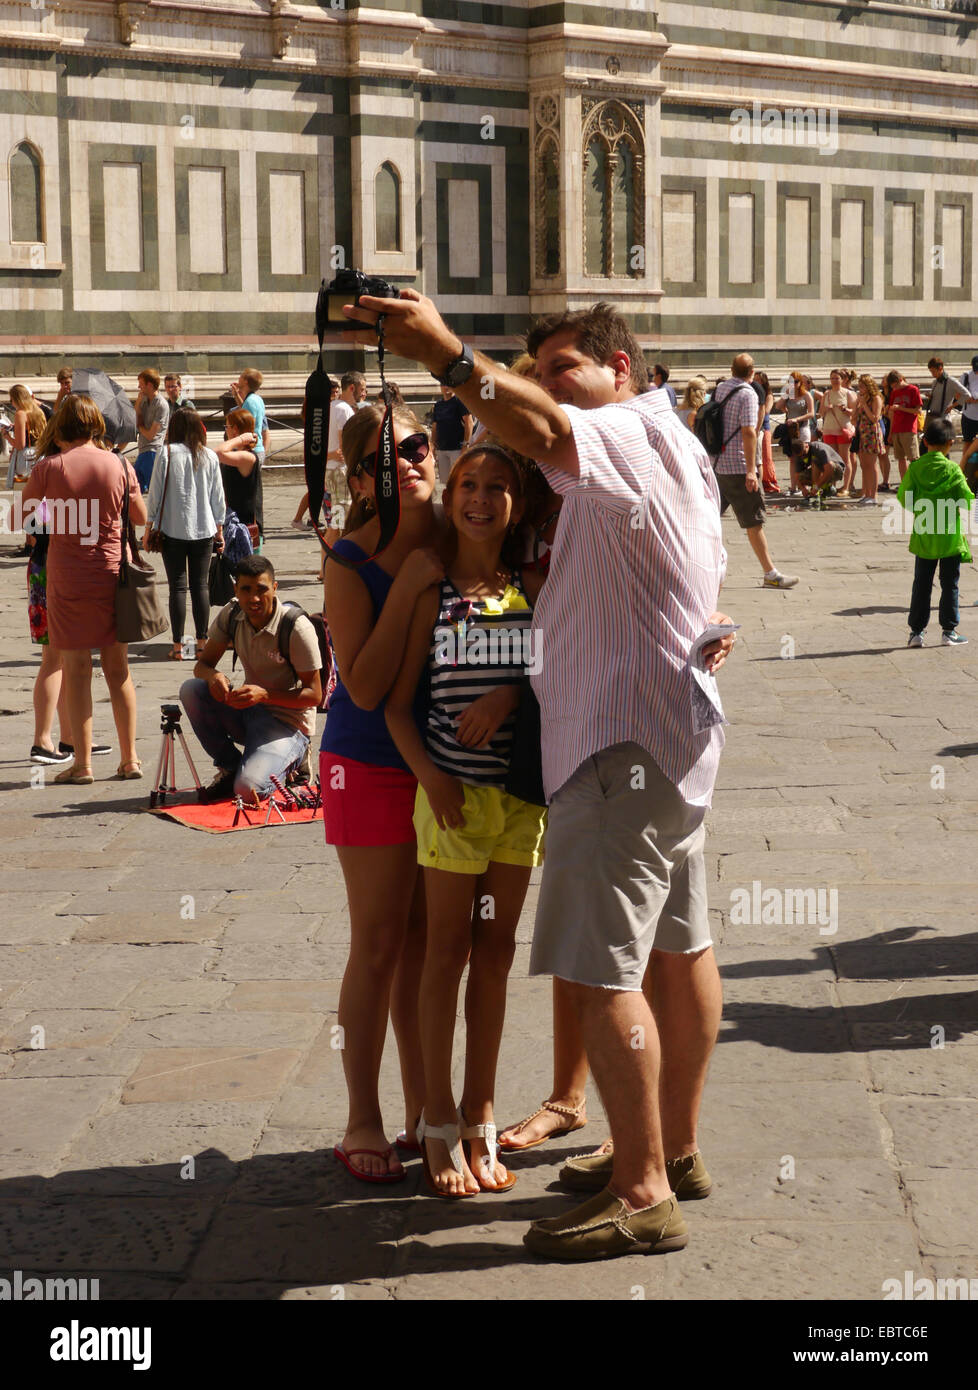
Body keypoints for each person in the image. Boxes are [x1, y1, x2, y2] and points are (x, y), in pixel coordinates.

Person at [342, 290, 736, 1260]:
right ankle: (671, 1149)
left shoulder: (620, 431)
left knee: (601, 973)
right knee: (677, 953)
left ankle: (642, 1190)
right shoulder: (675, 448)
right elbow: (698, 574)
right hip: (670, 741)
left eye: (567, 363)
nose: (550, 381)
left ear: (625, 371)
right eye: (542, 362)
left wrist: (441, 350)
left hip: (613, 750)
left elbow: (545, 421)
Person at [385, 444, 547, 1198]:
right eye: (468, 486)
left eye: (497, 488)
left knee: (497, 952)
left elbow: (543, 676)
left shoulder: (532, 584)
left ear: (518, 504)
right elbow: (393, 703)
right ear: (452, 494)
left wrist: (507, 698)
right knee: (444, 952)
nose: (480, 499)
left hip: (517, 801)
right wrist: (431, 779)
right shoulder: (431, 584)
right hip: (450, 798)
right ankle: (437, 1116)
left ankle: (482, 1110)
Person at [322, 404, 445, 1181]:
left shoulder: (466, 526)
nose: (403, 462)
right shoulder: (350, 558)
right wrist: (408, 588)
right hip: (367, 758)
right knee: (377, 944)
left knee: (430, 950)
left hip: (449, 762)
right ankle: (361, 1117)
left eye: (415, 445)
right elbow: (363, 690)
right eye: (380, 458)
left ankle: (427, 1112)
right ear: (358, 477)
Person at [20, 395, 146, 783]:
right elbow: (139, 516)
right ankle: (130, 759)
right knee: (118, 669)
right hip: (112, 573)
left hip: (68, 576)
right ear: (96, 424)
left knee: (76, 670)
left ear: (62, 428)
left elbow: (28, 520)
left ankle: (83, 764)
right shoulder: (120, 464)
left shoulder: (49, 467)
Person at [182, 555, 322, 806]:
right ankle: (231, 767)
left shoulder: (296, 627)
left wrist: (265, 695)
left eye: (262, 590)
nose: (254, 599)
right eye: (246, 590)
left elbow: (314, 695)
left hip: (288, 722)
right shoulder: (233, 613)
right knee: (192, 690)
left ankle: (297, 757)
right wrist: (214, 676)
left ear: (275, 588)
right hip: (248, 711)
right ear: (236, 589)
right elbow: (201, 665)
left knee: (248, 792)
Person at [144, 407, 225, 661]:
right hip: (204, 528)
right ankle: (201, 643)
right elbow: (218, 498)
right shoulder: (209, 455)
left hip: (172, 529)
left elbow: (155, 495)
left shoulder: (166, 454)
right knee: (200, 586)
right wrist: (220, 530)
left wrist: (148, 528)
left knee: (177, 588)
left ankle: (179, 647)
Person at [716, 355, 798, 588]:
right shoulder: (748, 393)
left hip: (717, 464)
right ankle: (770, 574)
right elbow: (749, 432)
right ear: (752, 372)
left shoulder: (722, 388)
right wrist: (751, 471)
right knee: (754, 522)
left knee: (709, 519)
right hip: (738, 467)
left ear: (732, 370)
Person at [898, 418, 972, 648]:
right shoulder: (952, 469)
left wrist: (921, 507)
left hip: (924, 534)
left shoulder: (916, 467)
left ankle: (916, 632)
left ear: (925, 441)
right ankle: (948, 630)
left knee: (921, 583)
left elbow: (904, 497)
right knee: (950, 583)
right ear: (950, 443)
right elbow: (967, 499)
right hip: (949, 535)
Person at [292, 382, 341, 527]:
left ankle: (311, 519)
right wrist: (331, 455)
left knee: (318, 490)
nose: (334, 395)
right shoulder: (317, 411)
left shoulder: (331, 409)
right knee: (316, 490)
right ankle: (299, 519)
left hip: (328, 458)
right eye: (332, 392)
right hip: (323, 458)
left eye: (336, 392)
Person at [217, 408, 261, 535]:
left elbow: (217, 453)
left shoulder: (247, 457)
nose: (226, 430)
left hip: (244, 526)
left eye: (227, 426)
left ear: (235, 429)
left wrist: (241, 439)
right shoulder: (235, 453)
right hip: (232, 523)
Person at [818, 369, 856, 493]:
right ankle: (832, 485)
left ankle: (846, 486)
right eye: (832, 378)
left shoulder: (847, 393)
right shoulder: (827, 394)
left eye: (837, 378)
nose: (834, 380)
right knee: (831, 459)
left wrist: (845, 410)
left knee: (845, 458)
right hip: (829, 429)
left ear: (842, 379)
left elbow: (854, 412)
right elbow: (821, 413)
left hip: (843, 429)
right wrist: (826, 408)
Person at [852, 374, 886, 505]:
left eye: (862, 386)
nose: (860, 388)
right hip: (862, 433)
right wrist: (857, 406)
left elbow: (875, 418)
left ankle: (873, 494)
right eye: (859, 386)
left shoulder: (876, 398)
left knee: (872, 465)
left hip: (871, 433)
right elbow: (854, 418)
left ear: (869, 386)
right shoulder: (862, 399)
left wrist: (864, 404)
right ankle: (866, 493)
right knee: (864, 465)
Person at [3, 384, 45, 488]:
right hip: (40, 455)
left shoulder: (20, 414)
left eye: (11, 399)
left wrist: (7, 436)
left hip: (26, 459)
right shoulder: (38, 411)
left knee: (23, 496)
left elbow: (20, 445)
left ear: (17, 399)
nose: (11, 403)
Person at [134, 369, 169, 493]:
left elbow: (150, 435)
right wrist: (137, 404)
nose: (139, 387)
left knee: (156, 492)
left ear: (149, 385)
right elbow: (136, 418)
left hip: (153, 452)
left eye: (141, 384)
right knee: (134, 490)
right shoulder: (144, 400)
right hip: (143, 450)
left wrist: (139, 426)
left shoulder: (161, 405)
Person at [885, 372, 923, 482]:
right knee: (900, 459)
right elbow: (892, 414)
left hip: (909, 429)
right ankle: (905, 483)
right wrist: (891, 433)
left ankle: (917, 482)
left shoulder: (913, 390)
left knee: (913, 458)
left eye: (896, 385)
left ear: (901, 379)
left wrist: (901, 408)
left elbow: (918, 410)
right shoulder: (894, 392)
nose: (895, 388)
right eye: (893, 387)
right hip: (897, 428)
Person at [430, 383, 472, 483]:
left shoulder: (460, 401)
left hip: (457, 449)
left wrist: (466, 444)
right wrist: (433, 445)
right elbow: (435, 426)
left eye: (448, 385)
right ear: (440, 387)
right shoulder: (438, 405)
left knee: (458, 480)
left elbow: (469, 422)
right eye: (443, 385)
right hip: (441, 449)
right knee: (445, 482)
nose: (446, 387)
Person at [924, 357, 969, 438]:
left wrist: (952, 406)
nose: (932, 374)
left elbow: (967, 395)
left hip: (943, 420)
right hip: (932, 417)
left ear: (940, 368)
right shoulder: (935, 382)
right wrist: (930, 396)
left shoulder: (951, 381)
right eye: (931, 371)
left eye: (933, 371)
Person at [752, 370, 780, 493]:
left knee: (766, 456)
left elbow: (767, 410)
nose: (756, 382)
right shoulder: (752, 393)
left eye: (759, 380)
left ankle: (770, 482)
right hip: (754, 427)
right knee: (757, 456)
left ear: (764, 382)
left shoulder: (768, 395)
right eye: (755, 379)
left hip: (764, 428)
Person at [792, 437, 844, 503]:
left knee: (815, 461)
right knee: (801, 477)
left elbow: (830, 468)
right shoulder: (799, 455)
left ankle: (816, 495)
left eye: (804, 453)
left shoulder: (818, 448)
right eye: (800, 456)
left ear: (806, 445)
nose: (803, 456)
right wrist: (803, 489)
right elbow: (796, 475)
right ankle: (826, 488)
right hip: (824, 470)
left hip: (836, 470)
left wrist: (816, 487)